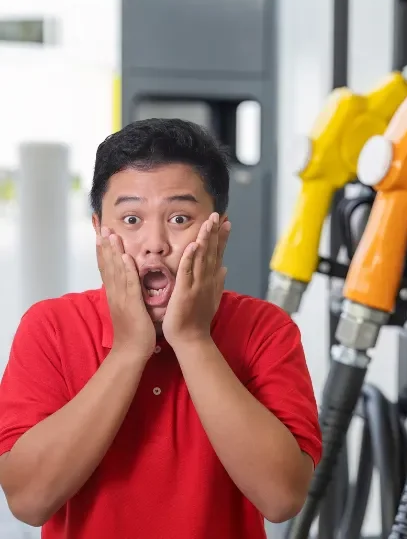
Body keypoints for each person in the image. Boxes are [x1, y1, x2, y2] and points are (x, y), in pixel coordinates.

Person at [0, 118, 322, 538]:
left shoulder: (265, 329)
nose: (155, 244)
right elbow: (28, 501)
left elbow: (281, 499)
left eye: (180, 218)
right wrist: (129, 349)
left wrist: (192, 339)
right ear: (99, 230)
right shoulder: (50, 327)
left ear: (219, 233)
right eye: (131, 219)